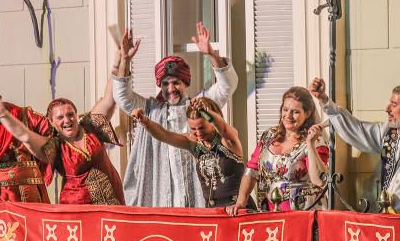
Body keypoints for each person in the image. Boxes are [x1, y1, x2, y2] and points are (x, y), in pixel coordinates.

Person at [114, 21, 238, 207]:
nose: (171, 89)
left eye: (176, 83)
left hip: (198, 194)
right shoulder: (151, 109)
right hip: (160, 195)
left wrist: (211, 54)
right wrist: (125, 60)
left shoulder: (199, 106)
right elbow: (122, 96)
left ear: (185, 83)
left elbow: (227, 86)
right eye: (165, 84)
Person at [308, 78, 400, 223]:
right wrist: (324, 100)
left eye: (393, 104)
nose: (387, 108)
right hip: (388, 220)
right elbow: (357, 130)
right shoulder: (388, 133)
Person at [0, 81, 126, 205]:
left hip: (112, 203)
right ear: (51, 122)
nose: (67, 120)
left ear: (76, 115)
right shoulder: (56, 147)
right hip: (79, 212)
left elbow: (109, 98)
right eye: (60, 117)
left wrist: (122, 59)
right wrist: (3, 115)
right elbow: (25, 136)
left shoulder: (90, 127)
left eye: (70, 115)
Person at [226, 86, 328, 214]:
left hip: (305, 213)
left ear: (307, 114)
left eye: (295, 111)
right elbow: (252, 170)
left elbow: (319, 181)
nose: (288, 116)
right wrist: (241, 202)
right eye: (285, 109)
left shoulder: (316, 141)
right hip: (272, 211)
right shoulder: (269, 135)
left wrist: (310, 144)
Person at [132, 97, 243, 207]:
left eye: (202, 128)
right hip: (212, 213)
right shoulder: (195, 144)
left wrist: (206, 112)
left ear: (212, 125)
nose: (198, 133)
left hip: (236, 211)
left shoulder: (228, 141)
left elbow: (223, 128)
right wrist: (145, 122)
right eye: (193, 129)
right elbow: (165, 135)